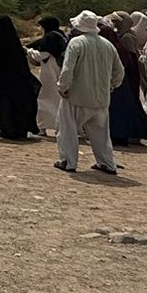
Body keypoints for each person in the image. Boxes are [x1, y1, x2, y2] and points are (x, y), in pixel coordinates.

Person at [52, 10, 122, 174]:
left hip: (77, 96)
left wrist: (63, 87)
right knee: (101, 134)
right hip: (101, 97)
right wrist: (112, 86)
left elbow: (67, 70)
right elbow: (119, 71)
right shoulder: (107, 44)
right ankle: (107, 163)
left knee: (67, 129)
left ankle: (68, 161)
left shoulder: (76, 43)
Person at [0, 15, 39, 141]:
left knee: (6, 105)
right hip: (19, 80)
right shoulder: (15, 43)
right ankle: (22, 129)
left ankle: (8, 130)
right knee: (19, 103)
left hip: (3, 81)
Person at [107, 18, 147, 146]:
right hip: (123, 76)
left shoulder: (126, 38)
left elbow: (129, 59)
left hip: (124, 77)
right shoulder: (121, 39)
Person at [27, 17, 66, 136]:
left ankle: (43, 127)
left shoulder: (51, 37)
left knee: (45, 98)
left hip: (50, 71)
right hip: (58, 70)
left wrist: (28, 51)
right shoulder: (60, 35)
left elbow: (42, 55)